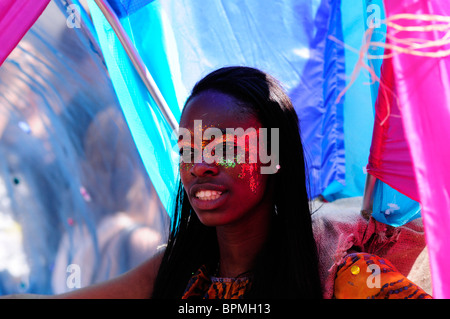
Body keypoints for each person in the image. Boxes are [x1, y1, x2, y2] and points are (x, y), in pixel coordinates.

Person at [3, 66, 431, 299]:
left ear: (273, 159)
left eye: (224, 146)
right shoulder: (178, 272)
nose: (201, 165)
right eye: (188, 147)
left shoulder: (347, 275)